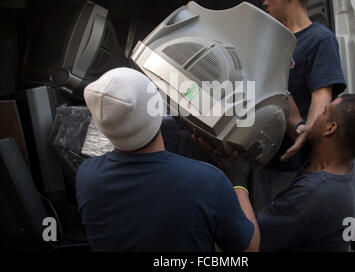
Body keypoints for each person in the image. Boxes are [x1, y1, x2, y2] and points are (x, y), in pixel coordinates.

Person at [76, 67, 259, 252]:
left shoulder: (86, 175)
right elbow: (250, 249)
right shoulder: (208, 181)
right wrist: (238, 182)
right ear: (155, 107)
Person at [196, 94, 355, 251]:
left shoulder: (310, 196)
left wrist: (237, 178)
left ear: (330, 128)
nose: (317, 117)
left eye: (323, 113)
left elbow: (249, 242)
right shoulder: (350, 168)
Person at [250, 0, 347, 211]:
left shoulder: (319, 39)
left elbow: (321, 97)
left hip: (292, 166)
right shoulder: (273, 41)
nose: (265, 2)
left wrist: (306, 132)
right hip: (263, 161)